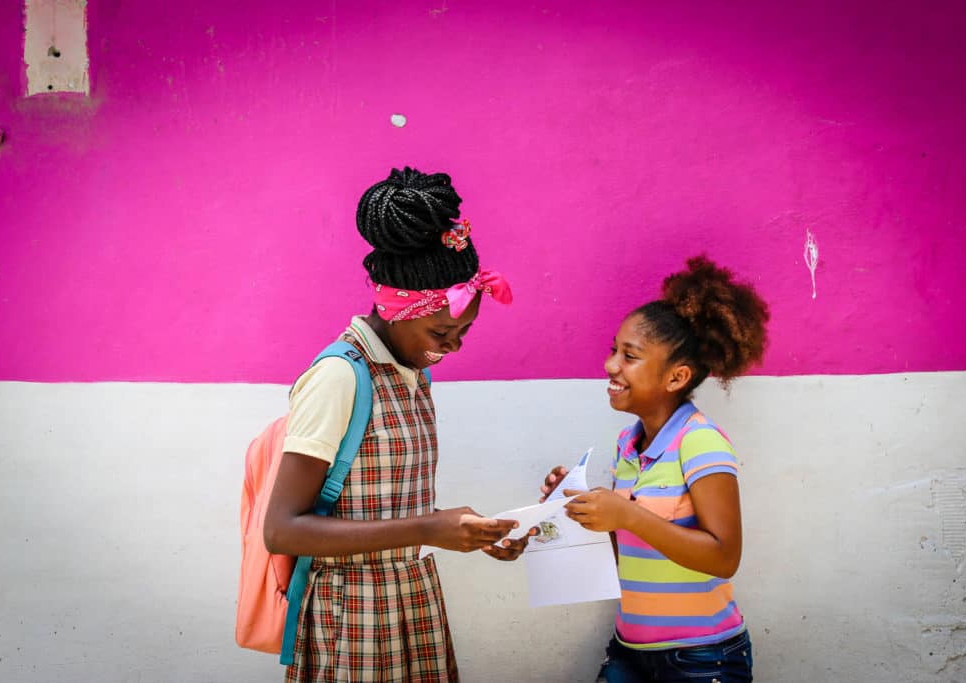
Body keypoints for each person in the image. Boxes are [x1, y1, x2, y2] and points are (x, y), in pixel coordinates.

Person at [264, 166, 530, 683]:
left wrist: (468, 534)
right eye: (442, 329)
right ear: (396, 311)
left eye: (465, 331)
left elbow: (379, 501)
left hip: (411, 602)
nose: (454, 345)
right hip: (354, 615)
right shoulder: (339, 377)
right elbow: (282, 529)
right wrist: (429, 528)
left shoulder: (411, 372)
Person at [540, 255, 769, 682]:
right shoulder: (627, 444)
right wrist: (576, 509)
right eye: (614, 350)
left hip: (702, 659)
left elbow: (724, 556)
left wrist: (626, 514)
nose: (611, 365)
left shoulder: (700, 441)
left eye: (630, 356)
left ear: (676, 377)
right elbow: (625, 552)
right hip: (629, 652)